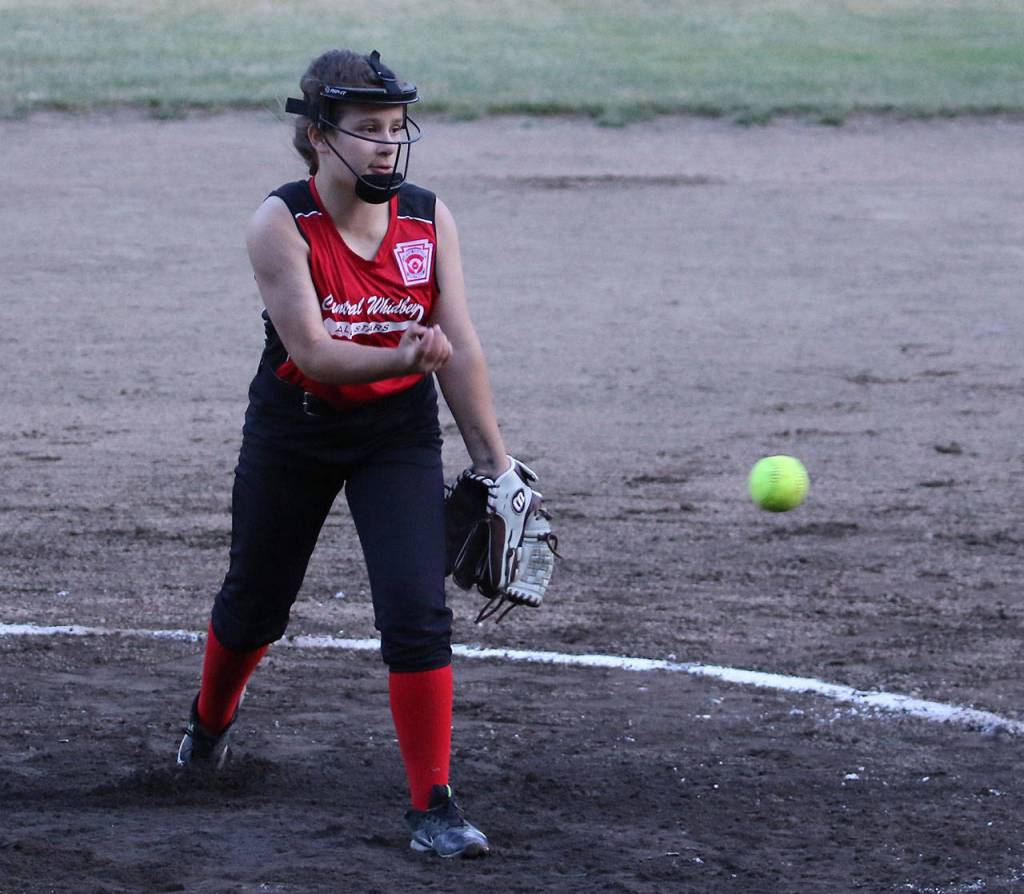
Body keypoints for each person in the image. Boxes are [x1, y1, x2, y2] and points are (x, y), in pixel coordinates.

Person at [175, 48, 513, 859]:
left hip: (395, 435)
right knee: (256, 604)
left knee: (416, 613)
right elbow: (316, 354)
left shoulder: (428, 219)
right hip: (295, 430)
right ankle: (208, 727)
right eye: (368, 129)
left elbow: (459, 344)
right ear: (318, 136)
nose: (387, 145)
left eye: (396, 128)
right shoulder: (280, 223)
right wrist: (403, 355)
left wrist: (495, 465)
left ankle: (434, 807)